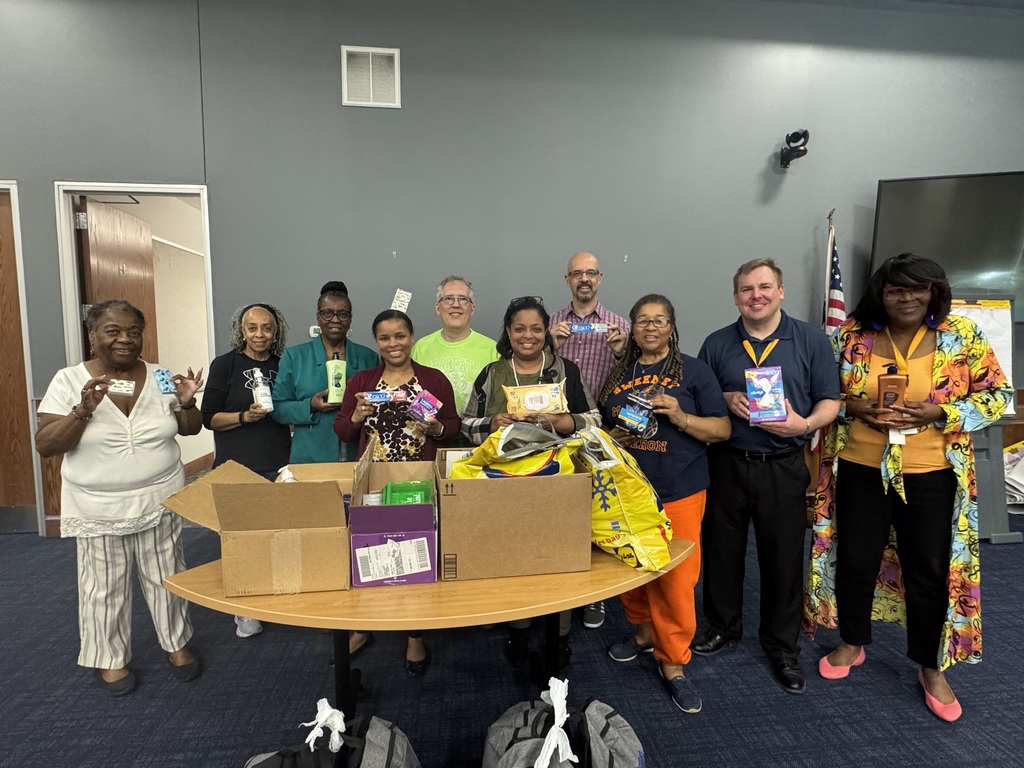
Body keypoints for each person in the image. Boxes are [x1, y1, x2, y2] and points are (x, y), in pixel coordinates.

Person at [804, 254, 1011, 721]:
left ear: (935, 291)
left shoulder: (962, 336)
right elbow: (822, 393)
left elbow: (999, 396)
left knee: (928, 568)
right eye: (896, 289)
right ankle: (853, 642)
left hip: (932, 474)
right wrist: (854, 408)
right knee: (856, 558)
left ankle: (930, 666)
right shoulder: (853, 335)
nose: (908, 297)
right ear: (881, 292)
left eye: (919, 288)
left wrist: (940, 412)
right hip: (859, 466)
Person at [35, 300, 205, 696]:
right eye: (113, 331)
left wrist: (186, 401)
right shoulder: (68, 380)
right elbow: (46, 445)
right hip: (99, 505)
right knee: (103, 586)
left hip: (161, 496)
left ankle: (176, 644)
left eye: (133, 331)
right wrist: (83, 410)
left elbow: (190, 429)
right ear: (93, 337)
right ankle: (110, 658)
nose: (125, 339)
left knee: (167, 577)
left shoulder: (161, 375)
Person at [694, 258, 840, 694]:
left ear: (781, 291)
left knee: (781, 560)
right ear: (735, 295)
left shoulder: (811, 340)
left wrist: (806, 425)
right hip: (727, 463)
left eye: (764, 287)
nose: (755, 295)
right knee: (721, 554)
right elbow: (699, 397)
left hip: (782, 465)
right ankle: (723, 627)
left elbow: (831, 399)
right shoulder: (717, 343)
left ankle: (781, 645)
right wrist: (727, 394)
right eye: (745, 289)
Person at [599, 294, 730, 714]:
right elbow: (606, 428)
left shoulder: (694, 371)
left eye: (659, 321)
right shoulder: (620, 372)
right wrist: (614, 438)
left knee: (675, 580)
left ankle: (673, 660)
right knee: (632, 568)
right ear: (632, 328)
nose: (650, 327)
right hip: (628, 492)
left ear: (672, 326)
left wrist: (680, 416)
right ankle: (641, 633)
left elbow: (723, 430)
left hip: (680, 489)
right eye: (642, 321)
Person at [462, 295, 603, 667]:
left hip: (559, 482)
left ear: (546, 333)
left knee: (560, 559)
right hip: (505, 485)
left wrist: (564, 422)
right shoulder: (493, 373)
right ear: (508, 333)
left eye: (536, 328)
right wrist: (492, 423)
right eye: (519, 328)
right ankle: (519, 634)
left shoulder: (566, 370)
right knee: (516, 559)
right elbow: (465, 424)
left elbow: (595, 419)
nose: (528, 336)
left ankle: (559, 640)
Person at [336, 309, 460, 675]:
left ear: (411, 337)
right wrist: (357, 416)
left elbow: (452, 425)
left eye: (400, 336)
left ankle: (415, 635)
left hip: (419, 477)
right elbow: (342, 431)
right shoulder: (363, 380)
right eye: (386, 338)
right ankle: (362, 626)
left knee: (419, 553)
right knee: (369, 551)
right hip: (374, 479)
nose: (394, 344)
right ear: (377, 342)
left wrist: (436, 426)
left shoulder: (433, 380)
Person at [549, 251, 629, 630]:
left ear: (600, 278)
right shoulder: (549, 325)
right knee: (561, 510)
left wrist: (621, 353)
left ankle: (597, 595)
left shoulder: (619, 325)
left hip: (603, 428)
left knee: (600, 508)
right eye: (577, 273)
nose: (584, 279)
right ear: (567, 280)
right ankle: (561, 580)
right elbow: (533, 373)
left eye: (591, 273)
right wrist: (551, 347)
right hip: (551, 431)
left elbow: (633, 378)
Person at [202, 302, 291, 639]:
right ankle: (243, 609)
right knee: (239, 540)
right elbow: (207, 417)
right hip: (236, 464)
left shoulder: (284, 365)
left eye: (266, 328)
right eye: (252, 327)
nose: (259, 335)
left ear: (276, 330)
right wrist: (243, 417)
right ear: (241, 330)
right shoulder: (224, 365)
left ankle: (274, 598)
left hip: (279, 460)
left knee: (276, 536)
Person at [272, 281, 379, 463]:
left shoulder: (368, 358)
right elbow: (278, 408)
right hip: (311, 455)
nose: (335, 320)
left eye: (343, 314)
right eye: (327, 313)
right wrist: (310, 405)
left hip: (358, 453)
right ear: (318, 317)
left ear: (350, 319)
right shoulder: (295, 357)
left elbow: (380, 405)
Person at [411, 275, 500, 433]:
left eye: (463, 299)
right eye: (449, 298)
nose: (456, 305)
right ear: (438, 308)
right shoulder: (420, 348)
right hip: (431, 436)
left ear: (472, 309)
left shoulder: (492, 349)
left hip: (477, 438)